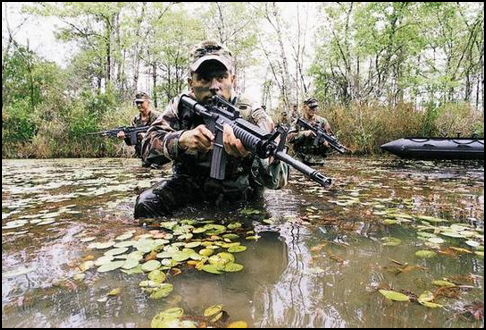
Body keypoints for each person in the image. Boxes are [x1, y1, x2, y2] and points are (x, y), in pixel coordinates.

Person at [134, 40, 289, 219]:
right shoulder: (181, 106)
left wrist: (251, 155)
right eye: (204, 79)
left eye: (221, 77)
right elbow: (147, 147)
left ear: (233, 79)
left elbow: (279, 180)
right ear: (191, 82)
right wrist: (181, 140)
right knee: (146, 204)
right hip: (192, 187)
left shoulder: (251, 113)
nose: (214, 86)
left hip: (240, 192)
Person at [117, 92, 161, 164]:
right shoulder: (136, 119)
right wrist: (124, 137)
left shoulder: (158, 117)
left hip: (158, 156)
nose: (139, 105)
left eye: (141, 102)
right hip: (143, 156)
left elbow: (165, 135)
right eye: (137, 103)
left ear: (148, 102)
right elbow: (131, 142)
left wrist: (147, 136)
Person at [287, 97, 333, 166]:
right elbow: (289, 138)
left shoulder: (322, 121)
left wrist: (327, 143)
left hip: (318, 160)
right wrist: (303, 134)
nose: (313, 110)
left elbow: (331, 137)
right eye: (311, 107)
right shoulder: (297, 122)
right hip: (299, 160)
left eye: (315, 108)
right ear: (304, 107)